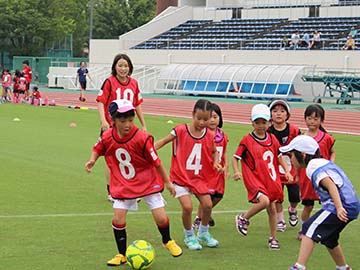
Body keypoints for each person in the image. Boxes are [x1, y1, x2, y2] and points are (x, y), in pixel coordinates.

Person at [85, 99, 182, 266]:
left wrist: (168, 182)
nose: (127, 124)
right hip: (123, 184)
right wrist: (92, 160)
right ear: (113, 120)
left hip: (147, 182)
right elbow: (97, 148)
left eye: (131, 120)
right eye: (123, 121)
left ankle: (168, 240)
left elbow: (156, 162)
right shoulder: (107, 136)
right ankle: (121, 254)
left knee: (160, 217)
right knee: (118, 219)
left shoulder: (142, 138)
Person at [279, 135, 359, 270]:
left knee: (308, 228)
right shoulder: (321, 162)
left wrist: (339, 208)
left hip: (341, 205)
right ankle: (343, 267)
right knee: (330, 239)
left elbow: (331, 184)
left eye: (292, 154)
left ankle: (299, 267)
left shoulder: (313, 166)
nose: (290, 159)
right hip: (350, 204)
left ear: (303, 154)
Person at [155, 99, 222, 251]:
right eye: (199, 118)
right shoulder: (180, 130)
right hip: (181, 178)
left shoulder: (210, 135)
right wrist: (150, 150)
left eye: (206, 119)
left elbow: (214, 151)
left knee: (207, 205)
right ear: (193, 115)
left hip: (199, 178)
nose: (202, 122)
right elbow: (164, 141)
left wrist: (216, 162)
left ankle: (203, 232)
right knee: (187, 207)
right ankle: (189, 236)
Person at [232, 104, 293, 250]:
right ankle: (243, 218)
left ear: (269, 122)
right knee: (264, 201)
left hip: (270, 178)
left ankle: (273, 238)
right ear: (252, 122)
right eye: (257, 122)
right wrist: (236, 171)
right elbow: (236, 157)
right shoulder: (247, 140)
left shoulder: (272, 139)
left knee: (271, 208)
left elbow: (279, 156)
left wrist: (287, 171)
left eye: (264, 122)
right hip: (254, 178)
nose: (260, 125)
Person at [96, 53, 147, 202]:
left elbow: (137, 104)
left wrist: (143, 124)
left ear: (130, 67)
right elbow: (100, 102)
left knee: (133, 158)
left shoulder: (134, 83)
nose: (123, 69)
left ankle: (132, 190)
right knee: (111, 159)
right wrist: (103, 121)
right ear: (115, 67)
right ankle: (112, 191)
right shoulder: (109, 82)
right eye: (120, 65)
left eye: (125, 66)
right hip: (112, 127)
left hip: (129, 127)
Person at [297, 104, 336, 240]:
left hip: (323, 176)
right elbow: (297, 160)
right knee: (308, 205)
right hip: (307, 177)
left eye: (315, 119)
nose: (312, 122)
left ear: (321, 120)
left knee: (327, 205)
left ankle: (322, 228)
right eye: (309, 118)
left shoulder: (326, 138)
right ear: (305, 119)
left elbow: (332, 152)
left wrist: (331, 165)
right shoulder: (301, 138)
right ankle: (304, 229)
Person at [193, 103, 229, 229]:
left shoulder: (223, 135)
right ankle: (199, 217)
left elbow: (224, 152)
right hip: (207, 171)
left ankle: (206, 213)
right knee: (206, 195)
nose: (213, 120)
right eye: (210, 117)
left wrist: (226, 167)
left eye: (216, 117)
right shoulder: (203, 134)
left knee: (218, 196)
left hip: (219, 172)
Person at [267, 100, 301, 232]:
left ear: (287, 114)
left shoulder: (294, 130)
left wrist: (299, 169)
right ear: (270, 115)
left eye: (282, 111)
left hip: (291, 167)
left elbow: (300, 148)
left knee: (295, 196)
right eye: (275, 111)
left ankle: (292, 210)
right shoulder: (268, 131)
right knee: (277, 196)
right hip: (275, 168)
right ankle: (280, 220)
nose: (278, 114)